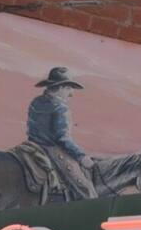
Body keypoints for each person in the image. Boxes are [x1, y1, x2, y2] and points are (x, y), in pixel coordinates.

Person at [26, 67, 99, 200]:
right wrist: (82, 157)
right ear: (61, 87)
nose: (71, 93)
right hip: (52, 151)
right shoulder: (61, 108)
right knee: (87, 190)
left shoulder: (36, 101)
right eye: (69, 88)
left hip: (30, 146)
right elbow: (63, 139)